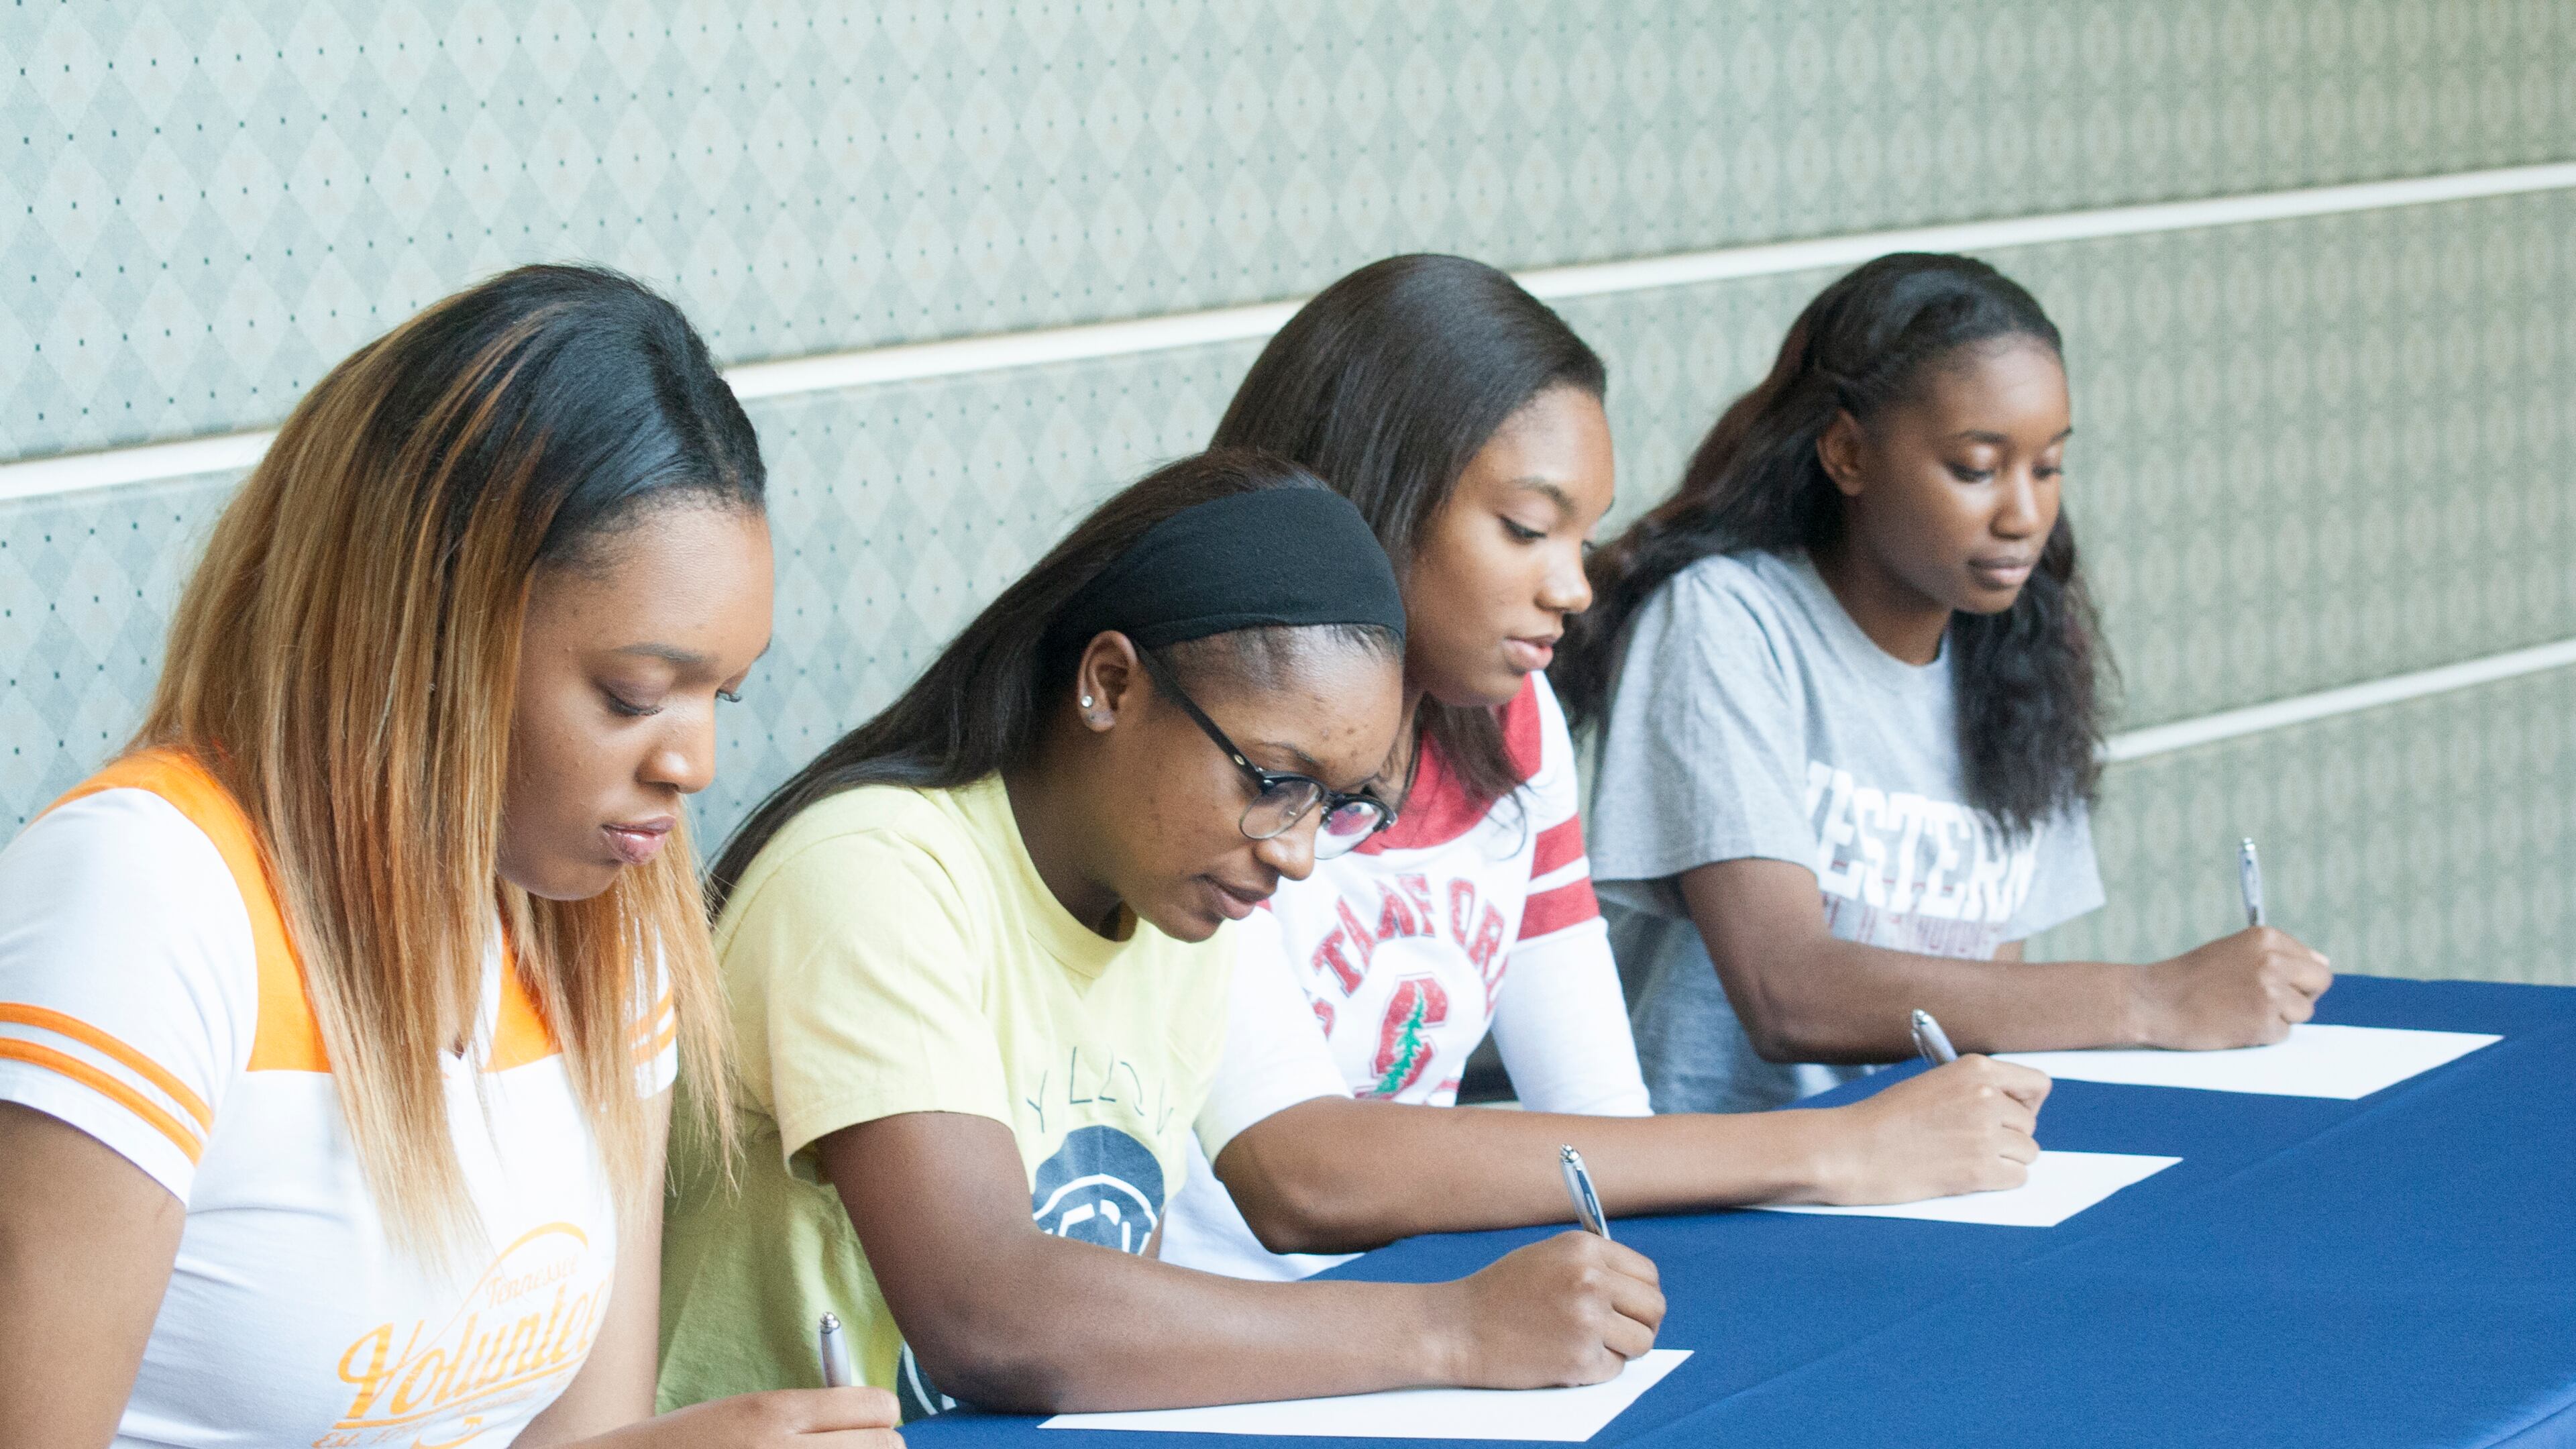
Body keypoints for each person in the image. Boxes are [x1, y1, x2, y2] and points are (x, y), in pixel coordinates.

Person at [0, 266, 902, 1449]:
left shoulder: (606, 922)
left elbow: (579, 1437)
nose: (695, 762)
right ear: (423, 627)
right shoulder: (146, 898)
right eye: (635, 694)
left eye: (720, 693)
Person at [656, 452, 1664, 1419]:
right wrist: (1453, 1329)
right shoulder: (873, 872)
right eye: (1274, 782)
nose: (1300, 855)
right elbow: (985, 1311)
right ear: (1109, 684)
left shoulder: (1176, 909)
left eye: (1337, 804)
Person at [1156, 254, 2052, 1283]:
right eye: (1528, 530)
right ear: (1371, 502)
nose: (1573, 587)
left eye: (1584, 536)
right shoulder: (1204, 746)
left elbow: (1599, 1115)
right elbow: (1305, 1178)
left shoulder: (1515, 720)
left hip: (1415, 1302)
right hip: (1219, 1337)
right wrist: (1836, 1148)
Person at [1554, 252, 2334, 1116]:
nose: (2025, 515)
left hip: (1928, 1169)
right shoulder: (1725, 620)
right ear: (1849, 453)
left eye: (2047, 468)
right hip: (1724, 1186)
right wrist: (2155, 999)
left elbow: (1985, 1000)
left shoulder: (2023, 657)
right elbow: (1787, 993)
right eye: (1976, 467)